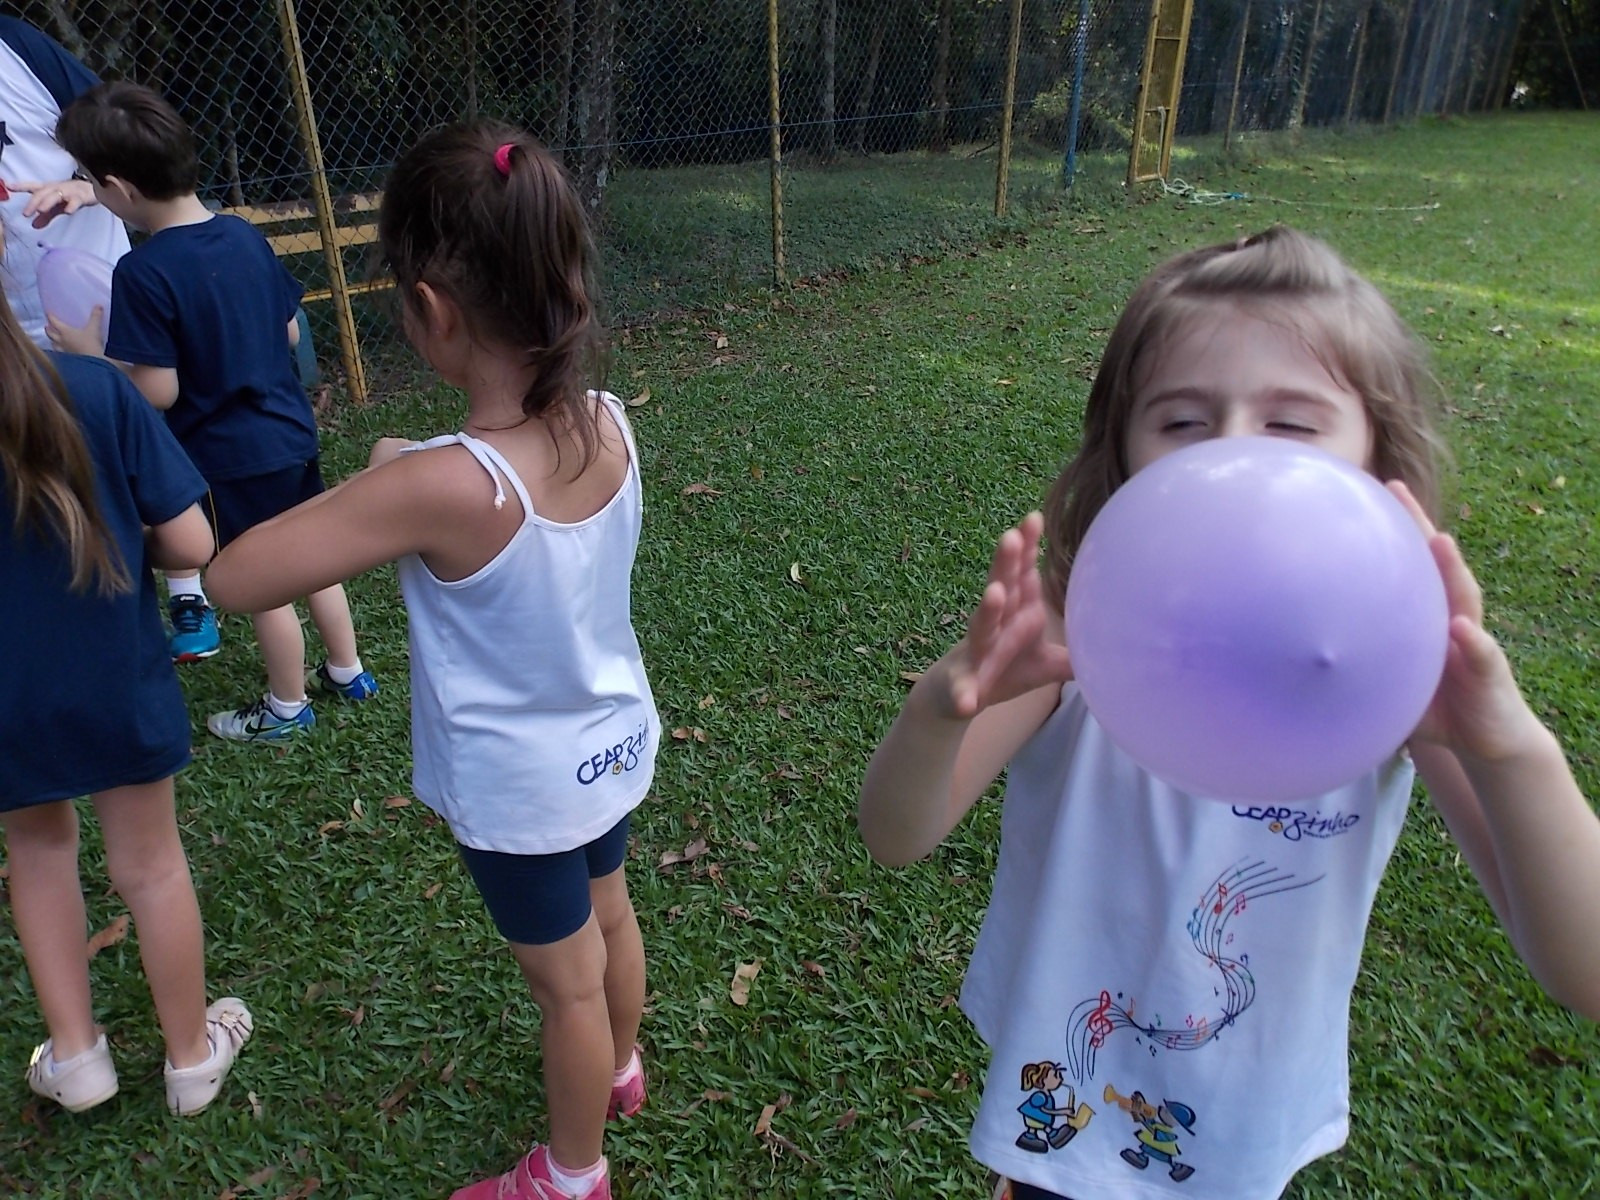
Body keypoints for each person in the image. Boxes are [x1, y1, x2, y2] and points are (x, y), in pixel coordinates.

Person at [857, 226, 1600, 1200]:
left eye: (1290, 423)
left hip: (1244, 1129)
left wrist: (1509, 749)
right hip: (1066, 1105)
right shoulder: (1078, 634)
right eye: (1182, 420)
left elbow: (1584, 972)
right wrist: (943, 707)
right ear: (1124, 449)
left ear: (1376, 460)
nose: (1233, 455)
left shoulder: (1395, 672)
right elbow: (895, 836)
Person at [205, 122, 657, 1200]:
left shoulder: (436, 486)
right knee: (611, 915)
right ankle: (621, 1071)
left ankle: (572, 1175)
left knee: (567, 989)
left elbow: (234, 579)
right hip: (611, 745)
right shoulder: (609, 421)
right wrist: (402, 472)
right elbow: (485, 486)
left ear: (431, 310)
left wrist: (384, 475)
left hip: (520, 790)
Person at [0, 222, 251, 1117]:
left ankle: (76, 1059)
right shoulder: (95, 389)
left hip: (8, 701)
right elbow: (191, 542)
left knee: (37, 852)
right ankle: (190, 1058)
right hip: (116, 678)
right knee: (150, 865)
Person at [51, 80, 375, 737]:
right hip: (290, 433)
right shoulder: (243, 236)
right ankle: (348, 671)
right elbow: (289, 332)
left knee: (263, 580)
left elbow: (159, 391)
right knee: (314, 555)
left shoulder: (143, 272)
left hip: (229, 457)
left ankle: (287, 707)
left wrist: (90, 355)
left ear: (118, 188)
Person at [0, 16, 130, 348]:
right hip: (11, 345)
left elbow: (132, 143)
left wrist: (90, 187)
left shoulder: (15, 46)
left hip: (98, 311)